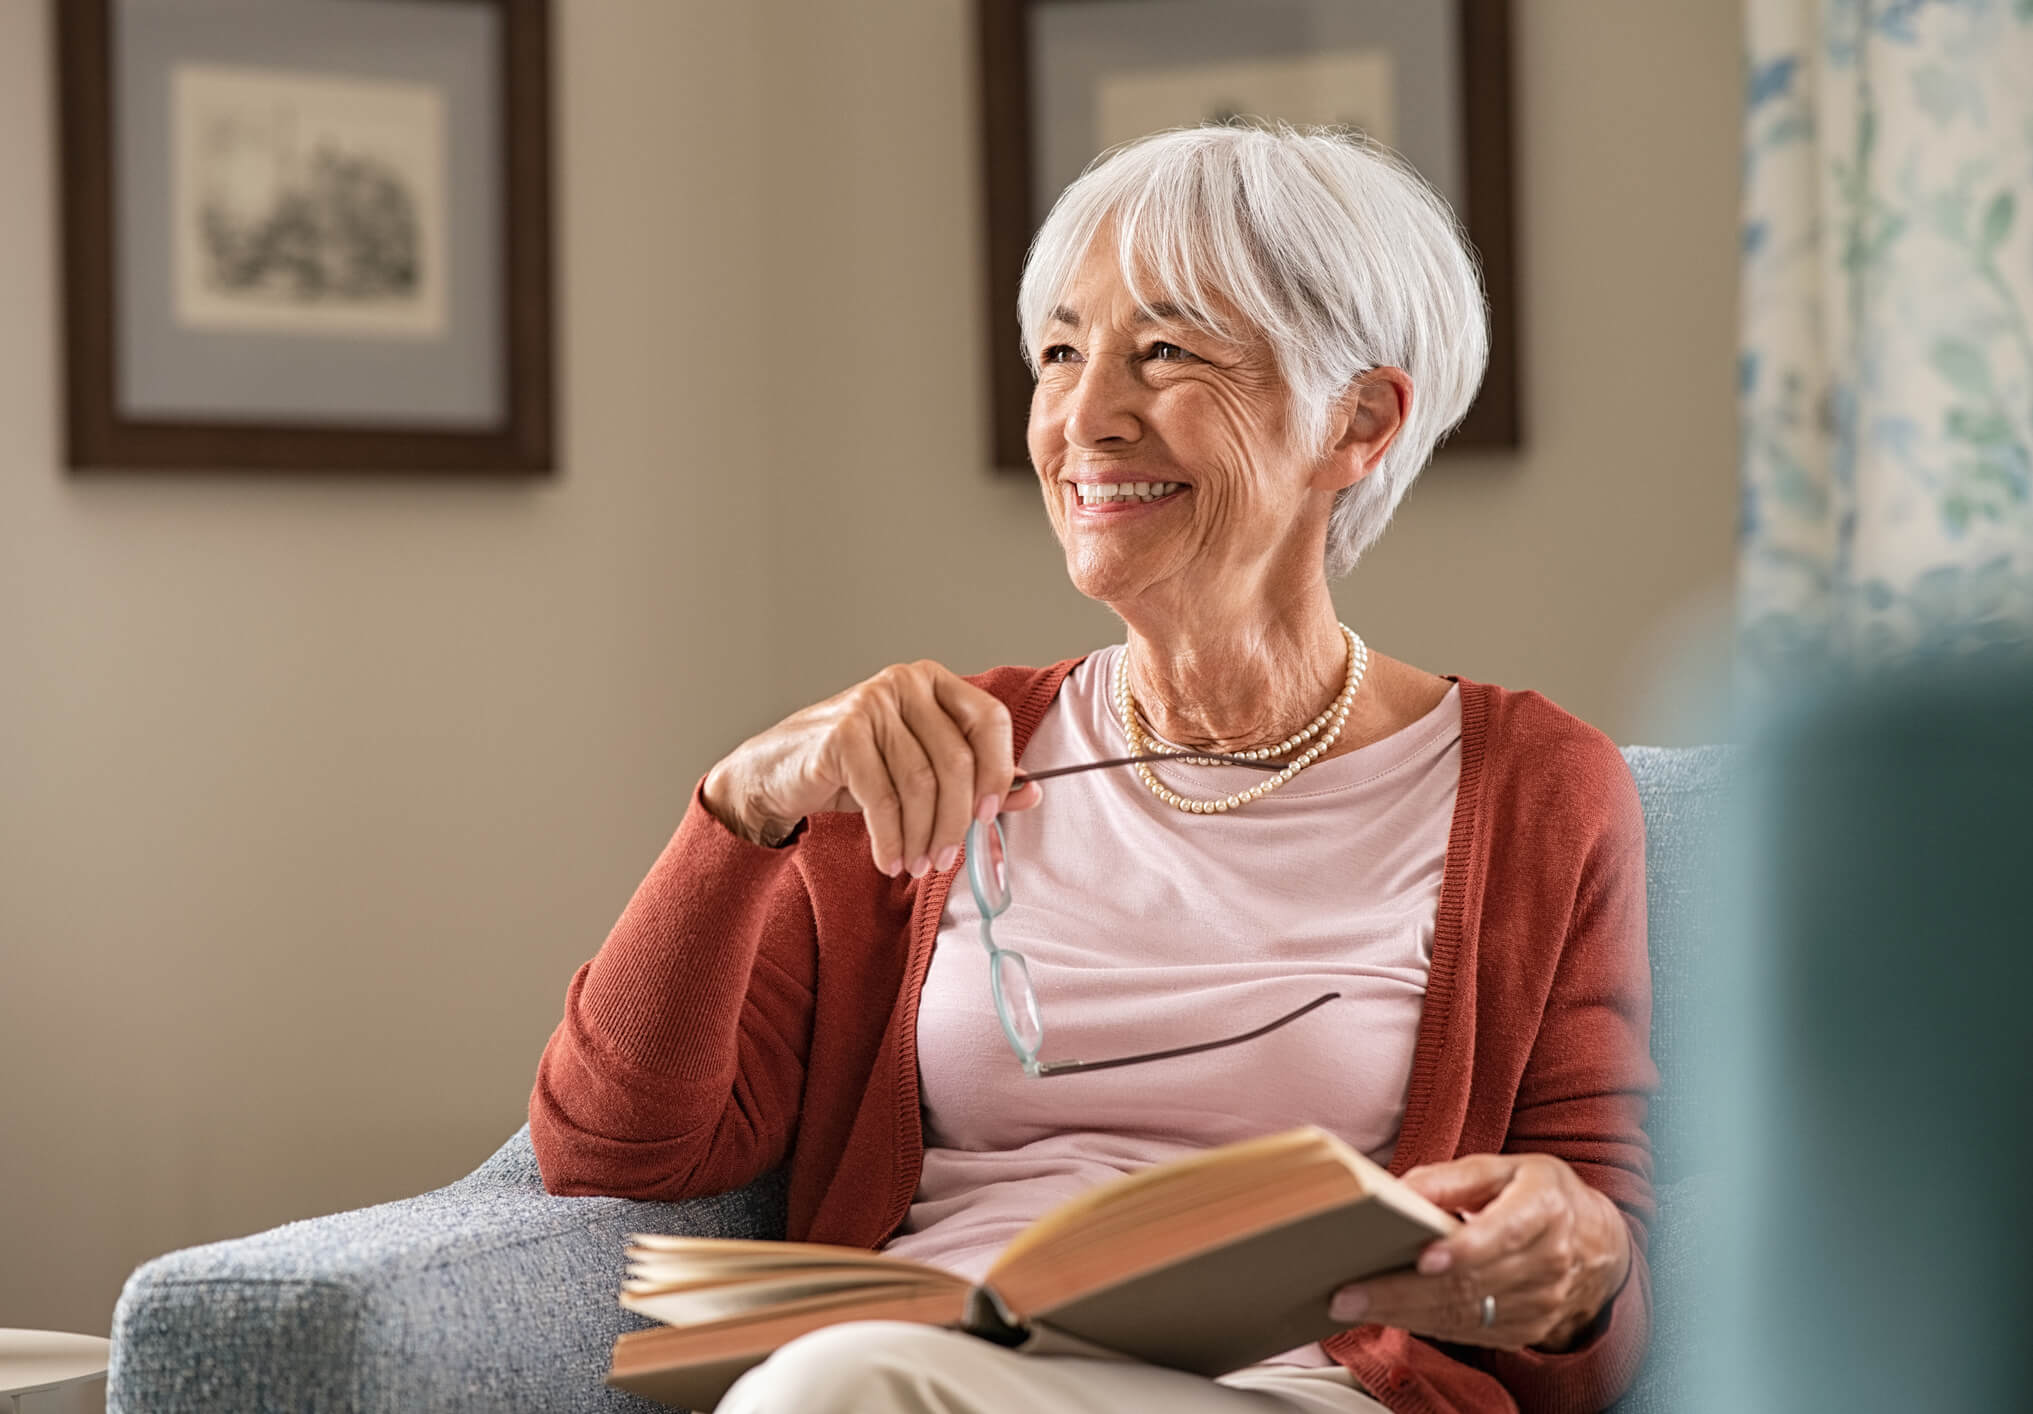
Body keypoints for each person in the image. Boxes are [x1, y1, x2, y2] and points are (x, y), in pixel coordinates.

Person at [530, 123, 1653, 1414]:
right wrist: (742, 809)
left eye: (1164, 352)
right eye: (1059, 352)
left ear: (1358, 419)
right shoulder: (930, 759)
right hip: (934, 1362)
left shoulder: (1531, 788)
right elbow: (612, 1148)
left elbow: (1593, 1305)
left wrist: (1582, 1259)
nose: (1082, 418)